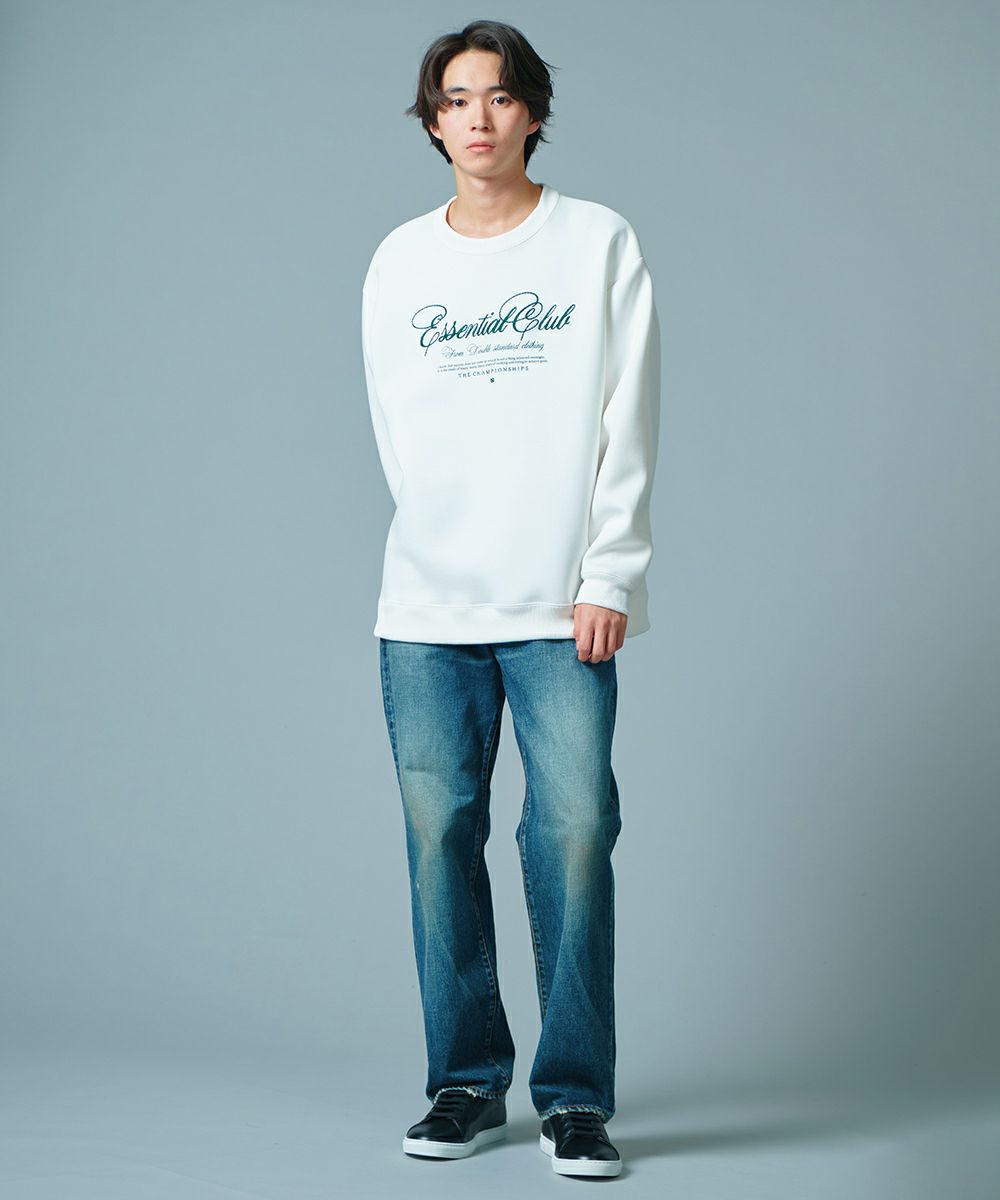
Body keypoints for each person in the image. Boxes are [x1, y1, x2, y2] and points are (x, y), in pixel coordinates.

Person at [361, 19, 660, 1180]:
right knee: (440, 837)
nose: (476, 117)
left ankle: (576, 1098)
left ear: (531, 111)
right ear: (432, 122)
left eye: (496, 96)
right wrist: (444, 547)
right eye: (454, 99)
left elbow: (627, 413)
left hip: (560, 607)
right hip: (425, 614)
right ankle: (465, 1083)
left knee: (575, 834)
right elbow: (400, 433)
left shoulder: (596, 242)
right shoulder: (400, 262)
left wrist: (608, 572)